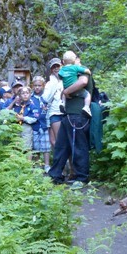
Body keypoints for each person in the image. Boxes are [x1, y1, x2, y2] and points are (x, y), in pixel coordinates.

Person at [47, 53, 94, 188]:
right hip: (68, 115)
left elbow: (83, 82)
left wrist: (66, 92)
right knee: (61, 146)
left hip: (79, 115)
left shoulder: (82, 72)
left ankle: (81, 178)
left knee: (79, 147)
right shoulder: (70, 73)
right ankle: (55, 175)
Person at [58, 51, 92, 116]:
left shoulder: (63, 69)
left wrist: (66, 91)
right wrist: (89, 72)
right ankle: (86, 107)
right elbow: (83, 80)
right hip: (70, 112)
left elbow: (83, 81)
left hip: (77, 112)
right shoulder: (76, 68)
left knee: (64, 94)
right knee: (87, 95)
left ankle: (62, 103)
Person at [7, 86, 38, 155]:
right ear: (19, 95)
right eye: (23, 93)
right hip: (16, 126)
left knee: (27, 147)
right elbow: (7, 113)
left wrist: (23, 118)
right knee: (16, 146)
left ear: (30, 94)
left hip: (26, 126)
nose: (25, 95)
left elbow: (34, 118)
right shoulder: (17, 106)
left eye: (27, 93)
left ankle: (27, 164)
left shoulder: (32, 106)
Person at [30, 76, 51, 171]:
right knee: (36, 147)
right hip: (34, 125)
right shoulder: (30, 98)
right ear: (32, 86)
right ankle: (38, 164)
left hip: (45, 124)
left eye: (39, 85)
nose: (37, 87)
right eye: (35, 86)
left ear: (43, 86)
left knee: (46, 146)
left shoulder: (46, 97)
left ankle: (47, 165)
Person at [43, 58, 64, 149]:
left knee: (62, 139)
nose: (56, 69)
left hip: (65, 112)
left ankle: (66, 160)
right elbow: (46, 98)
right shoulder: (50, 83)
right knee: (55, 140)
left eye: (58, 66)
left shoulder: (66, 79)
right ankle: (61, 161)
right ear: (51, 69)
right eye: (54, 67)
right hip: (54, 112)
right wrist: (54, 84)